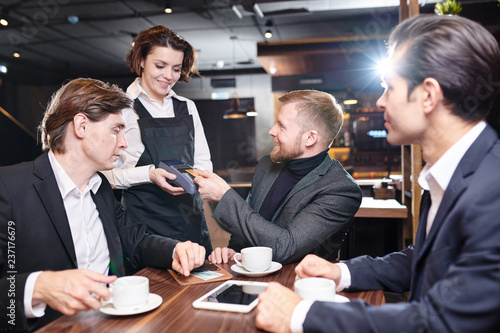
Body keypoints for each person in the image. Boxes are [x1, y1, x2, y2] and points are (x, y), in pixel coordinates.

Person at [255, 14, 500, 332]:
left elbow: (441, 322)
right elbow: (422, 259)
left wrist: (300, 316)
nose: (381, 101)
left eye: (389, 88)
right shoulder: (453, 173)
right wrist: (341, 273)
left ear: (428, 95)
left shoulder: (492, 192)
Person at [0, 78, 206, 332]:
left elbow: (137, 241)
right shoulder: (8, 187)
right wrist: (39, 286)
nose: (124, 142)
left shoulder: (102, 189)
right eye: (116, 130)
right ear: (81, 126)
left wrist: (176, 250)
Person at [195, 90, 362, 265]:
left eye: (282, 126)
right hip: (252, 280)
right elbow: (245, 225)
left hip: (298, 286)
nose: (272, 131)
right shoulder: (267, 165)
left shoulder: (341, 190)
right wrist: (235, 251)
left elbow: (285, 248)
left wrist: (224, 196)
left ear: (310, 138)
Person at [102, 25, 213, 255]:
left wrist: (195, 179)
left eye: (176, 69)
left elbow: (204, 162)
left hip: (189, 221)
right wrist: (149, 174)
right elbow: (106, 176)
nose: (168, 76)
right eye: (160, 66)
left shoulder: (187, 107)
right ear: (141, 60)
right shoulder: (121, 109)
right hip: (144, 227)